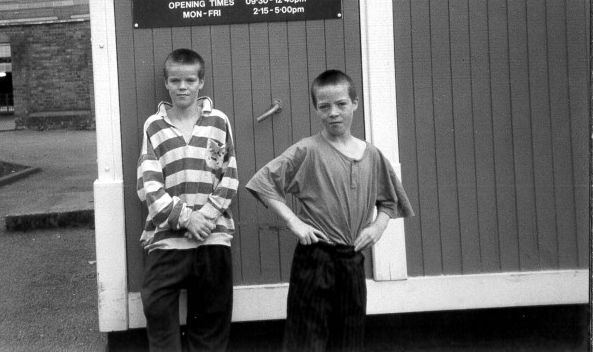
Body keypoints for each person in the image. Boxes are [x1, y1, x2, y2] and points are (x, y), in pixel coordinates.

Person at [245, 69, 414, 352]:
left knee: (349, 338)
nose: (333, 113)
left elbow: (389, 200)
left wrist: (378, 226)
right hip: (315, 258)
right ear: (316, 109)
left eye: (341, 104)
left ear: (355, 103)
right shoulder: (307, 150)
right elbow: (263, 183)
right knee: (306, 340)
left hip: (352, 259)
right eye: (324, 107)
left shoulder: (371, 155)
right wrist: (293, 221)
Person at [136, 48, 238, 352]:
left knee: (211, 320)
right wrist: (185, 217)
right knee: (155, 304)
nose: (183, 87)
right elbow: (149, 183)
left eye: (190, 80)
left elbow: (229, 176)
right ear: (166, 83)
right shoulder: (153, 126)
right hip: (168, 238)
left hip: (212, 237)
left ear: (201, 82)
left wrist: (203, 218)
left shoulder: (218, 122)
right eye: (176, 80)